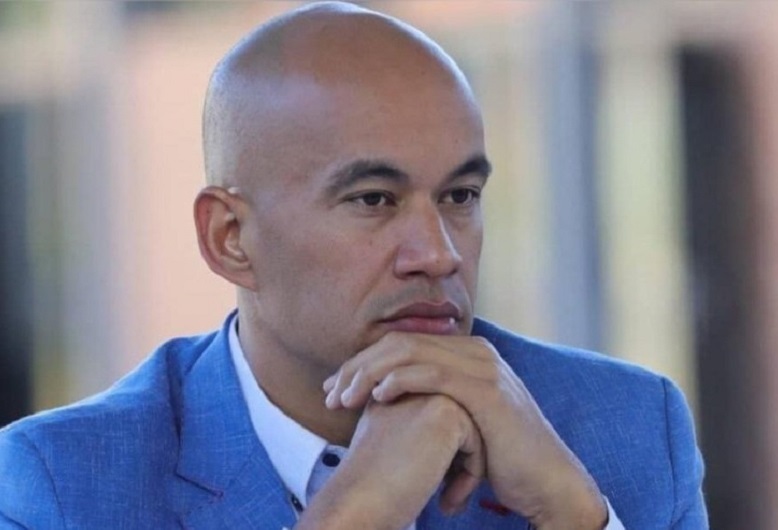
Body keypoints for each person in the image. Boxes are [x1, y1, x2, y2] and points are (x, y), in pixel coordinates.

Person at [0, 2, 708, 529]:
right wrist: (361, 509)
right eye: (374, 199)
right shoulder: (59, 486)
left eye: (460, 196)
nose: (439, 253)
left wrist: (575, 516)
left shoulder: (626, 429)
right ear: (229, 238)